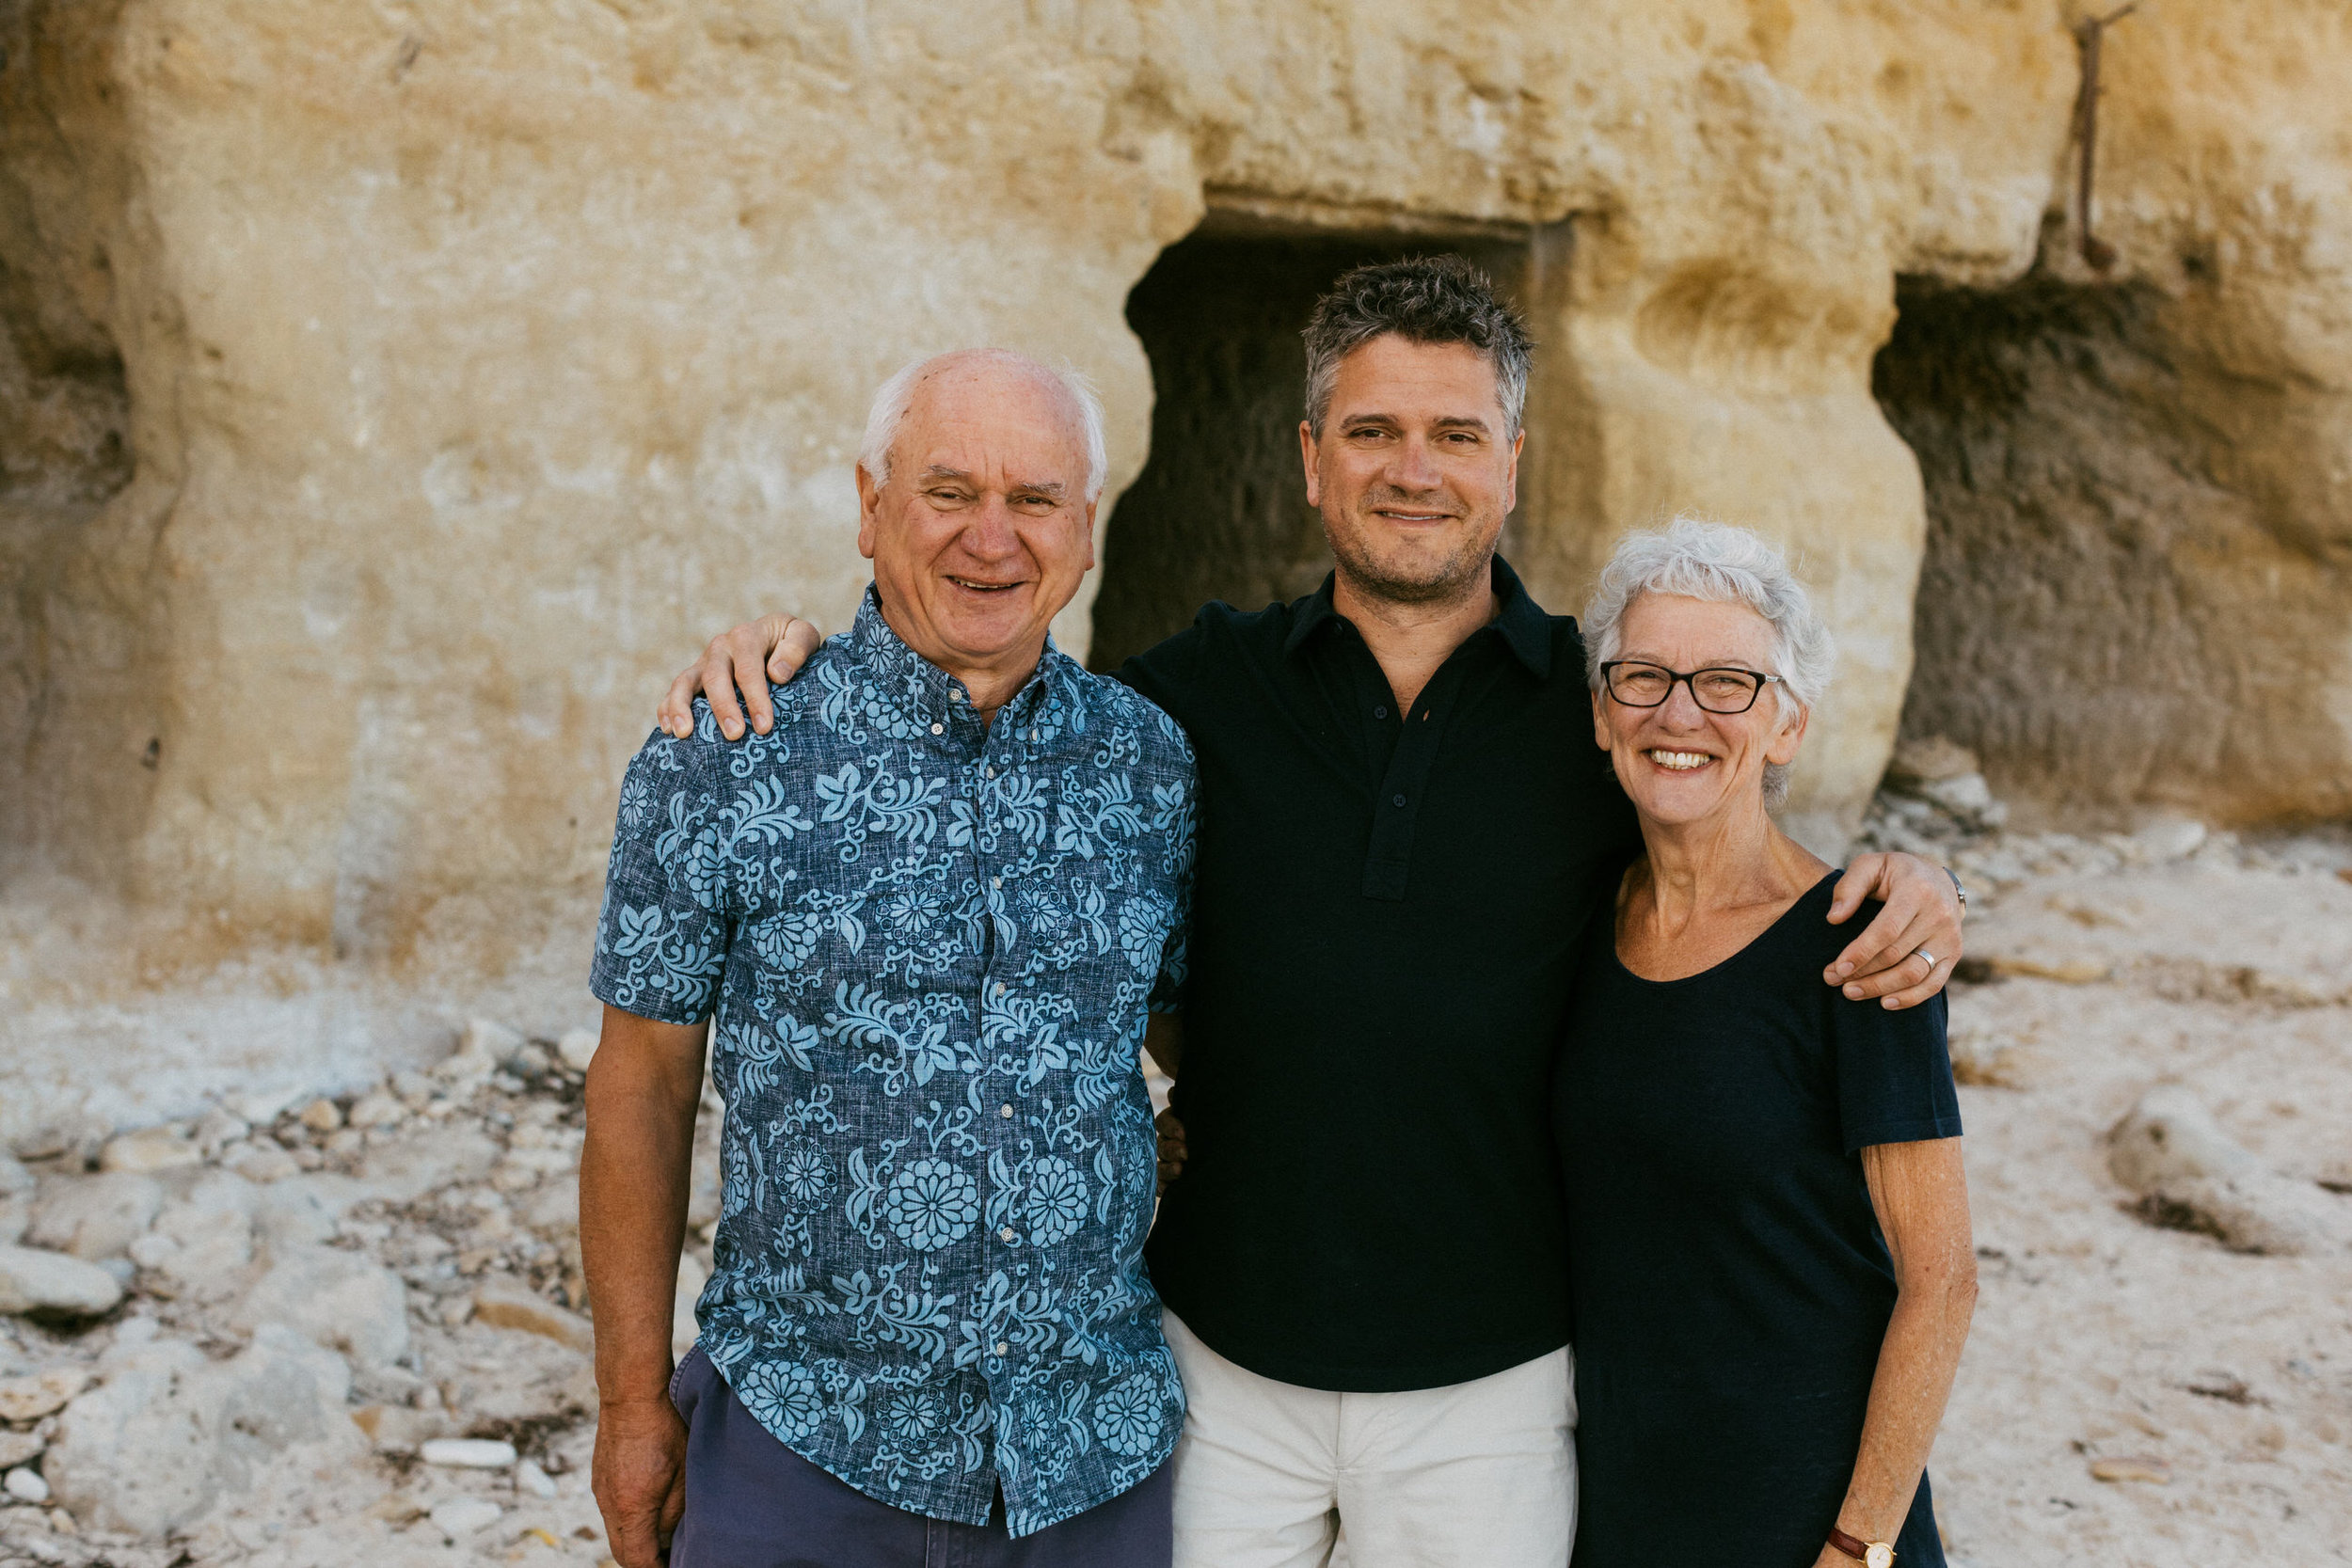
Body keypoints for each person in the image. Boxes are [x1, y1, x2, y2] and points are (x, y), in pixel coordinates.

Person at [655, 258, 1966, 1567]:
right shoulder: (1190, 693)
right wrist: (795, 653)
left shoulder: (1595, 707)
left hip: (1497, 1381)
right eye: (1372, 431)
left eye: (1455, 434)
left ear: (1511, 462)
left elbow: (1725, 830)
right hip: (1218, 1353)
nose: (1415, 467)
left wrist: (1920, 881)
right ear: (1309, 458)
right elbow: (998, 709)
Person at [580, 349, 1197, 1568]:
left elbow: (1196, 1038)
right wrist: (629, 1403)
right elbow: (637, 1085)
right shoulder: (727, 746)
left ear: (1086, 529)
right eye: (948, 490)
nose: (992, 538)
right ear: (870, 508)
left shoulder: (1152, 766)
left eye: (1034, 500)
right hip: (800, 1452)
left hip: (1094, 1461)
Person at [1557, 518, 1975, 1568]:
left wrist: (1860, 1539)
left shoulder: (1857, 945)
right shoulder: (1576, 917)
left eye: (1728, 683)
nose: (1679, 712)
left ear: (1785, 725)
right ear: (1603, 712)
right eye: (1642, 676)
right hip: (1617, 1502)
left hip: (1803, 1517)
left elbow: (1942, 1279)